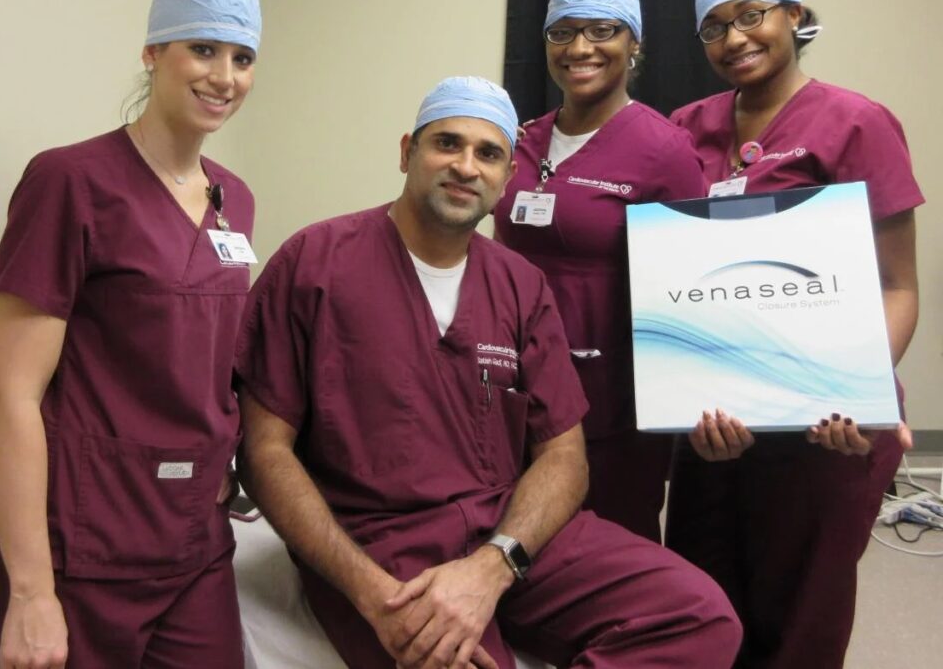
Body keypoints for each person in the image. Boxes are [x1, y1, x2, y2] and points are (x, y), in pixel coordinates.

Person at [235, 76, 741, 669]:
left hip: (506, 532)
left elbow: (563, 456)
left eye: (488, 153)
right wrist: (373, 596)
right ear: (406, 152)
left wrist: (495, 564)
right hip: (376, 542)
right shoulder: (315, 263)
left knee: (701, 618)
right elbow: (265, 452)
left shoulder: (520, 285)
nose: (466, 166)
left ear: (505, 179)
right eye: (446, 144)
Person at [0, 0, 262, 669]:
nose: (223, 76)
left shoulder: (236, 199)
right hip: (82, 542)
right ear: (152, 54)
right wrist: (31, 593)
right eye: (201, 49)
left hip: (192, 539)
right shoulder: (69, 182)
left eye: (242, 58)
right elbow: (10, 393)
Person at [665, 0, 923, 668]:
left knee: (802, 606)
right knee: (700, 593)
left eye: (753, 16)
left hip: (825, 420)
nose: (736, 39)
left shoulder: (857, 123)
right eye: (714, 27)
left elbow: (898, 286)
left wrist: (853, 389)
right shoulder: (687, 124)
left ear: (795, 16)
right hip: (716, 413)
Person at [493, 0, 706, 542]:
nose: (579, 48)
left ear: (634, 43)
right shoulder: (522, 140)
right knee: (511, 546)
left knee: (611, 551)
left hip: (609, 405)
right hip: (511, 390)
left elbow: (693, 289)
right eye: (562, 32)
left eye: (602, 30)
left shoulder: (665, 152)